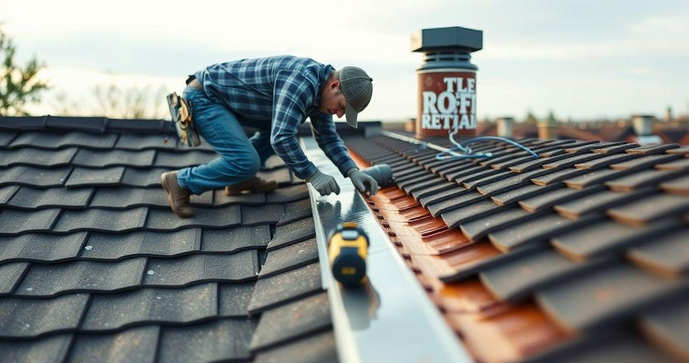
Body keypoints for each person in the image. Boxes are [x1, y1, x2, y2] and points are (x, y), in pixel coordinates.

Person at [161, 55, 379, 218]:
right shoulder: (301, 81)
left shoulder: (320, 97)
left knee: (281, 127)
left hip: (233, 104)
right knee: (247, 160)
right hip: (204, 98)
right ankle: (181, 181)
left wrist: (352, 171)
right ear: (334, 86)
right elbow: (281, 138)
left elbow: (328, 138)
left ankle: (241, 180)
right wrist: (313, 174)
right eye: (341, 107)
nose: (340, 115)